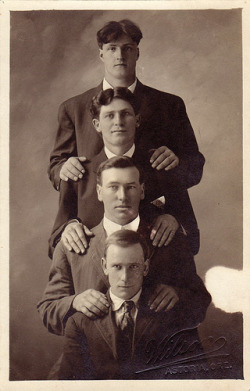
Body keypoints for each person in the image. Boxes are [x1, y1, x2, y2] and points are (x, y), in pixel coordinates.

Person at [48, 19, 205, 254]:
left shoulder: (168, 105)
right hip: (94, 225)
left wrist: (176, 162)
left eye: (127, 48)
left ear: (137, 53)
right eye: (112, 49)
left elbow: (194, 166)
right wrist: (64, 169)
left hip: (153, 227)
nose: (120, 55)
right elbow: (56, 167)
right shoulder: (74, 108)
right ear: (101, 54)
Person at [38, 156, 210, 337]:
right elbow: (48, 309)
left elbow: (199, 301)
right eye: (113, 187)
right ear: (99, 192)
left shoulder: (170, 238)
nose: (122, 196)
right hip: (95, 361)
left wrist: (177, 295)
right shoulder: (72, 245)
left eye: (130, 187)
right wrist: (74, 302)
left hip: (162, 359)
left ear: (142, 191)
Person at [49, 87, 197, 257]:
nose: (118, 122)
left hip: (155, 279)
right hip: (94, 278)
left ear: (137, 120)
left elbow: (193, 237)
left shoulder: (162, 168)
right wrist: (68, 230)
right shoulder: (78, 174)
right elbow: (53, 244)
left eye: (125, 114)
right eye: (109, 115)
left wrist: (175, 221)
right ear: (97, 125)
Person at [54, 230, 210, 380]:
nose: (125, 277)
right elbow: (71, 382)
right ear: (104, 267)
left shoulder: (170, 313)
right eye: (117, 267)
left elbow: (190, 377)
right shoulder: (79, 322)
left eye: (133, 267)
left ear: (146, 267)